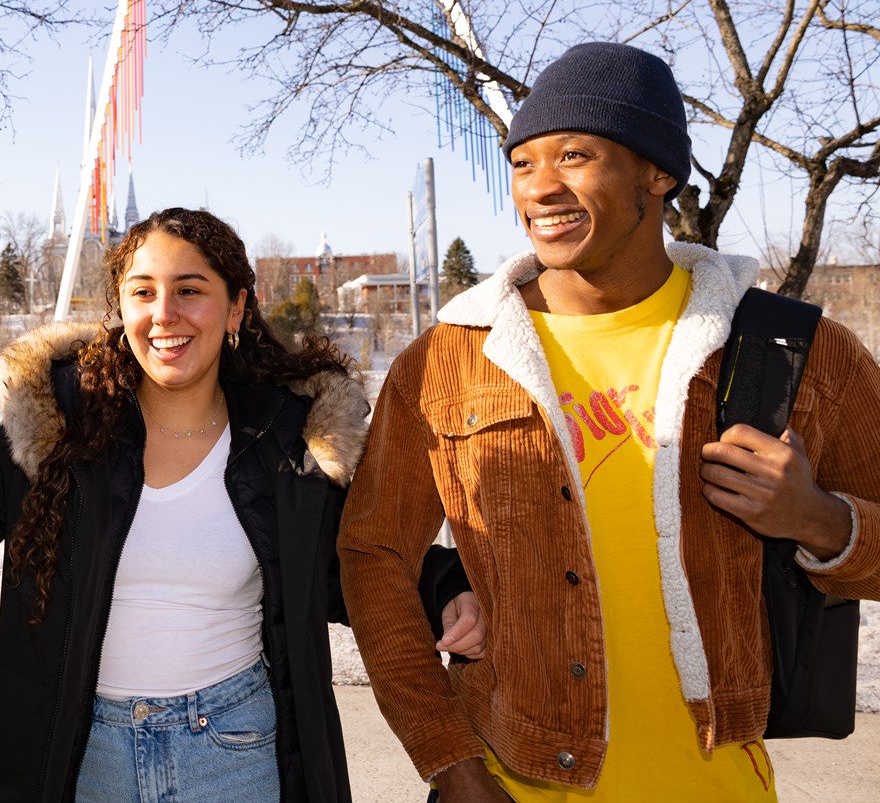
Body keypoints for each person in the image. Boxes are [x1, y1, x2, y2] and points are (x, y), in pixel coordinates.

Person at [337, 42, 880, 802]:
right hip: (508, 778)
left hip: (716, 784)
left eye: (575, 155)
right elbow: (373, 557)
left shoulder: (795, 352)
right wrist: (450, 761)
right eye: (522, 163)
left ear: (656, 175)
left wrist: (819, 520)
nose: (540, 187)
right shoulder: (448, 360)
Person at [0, 207, 481, 801]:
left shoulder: (289, 440)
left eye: (191, 290)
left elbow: (354, 562)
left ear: (237, 305)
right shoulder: (55, 423)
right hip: (73, 750)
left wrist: (447, 589)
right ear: (120, 307)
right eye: (143, 291)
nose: (165, 314)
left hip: (234, 752)